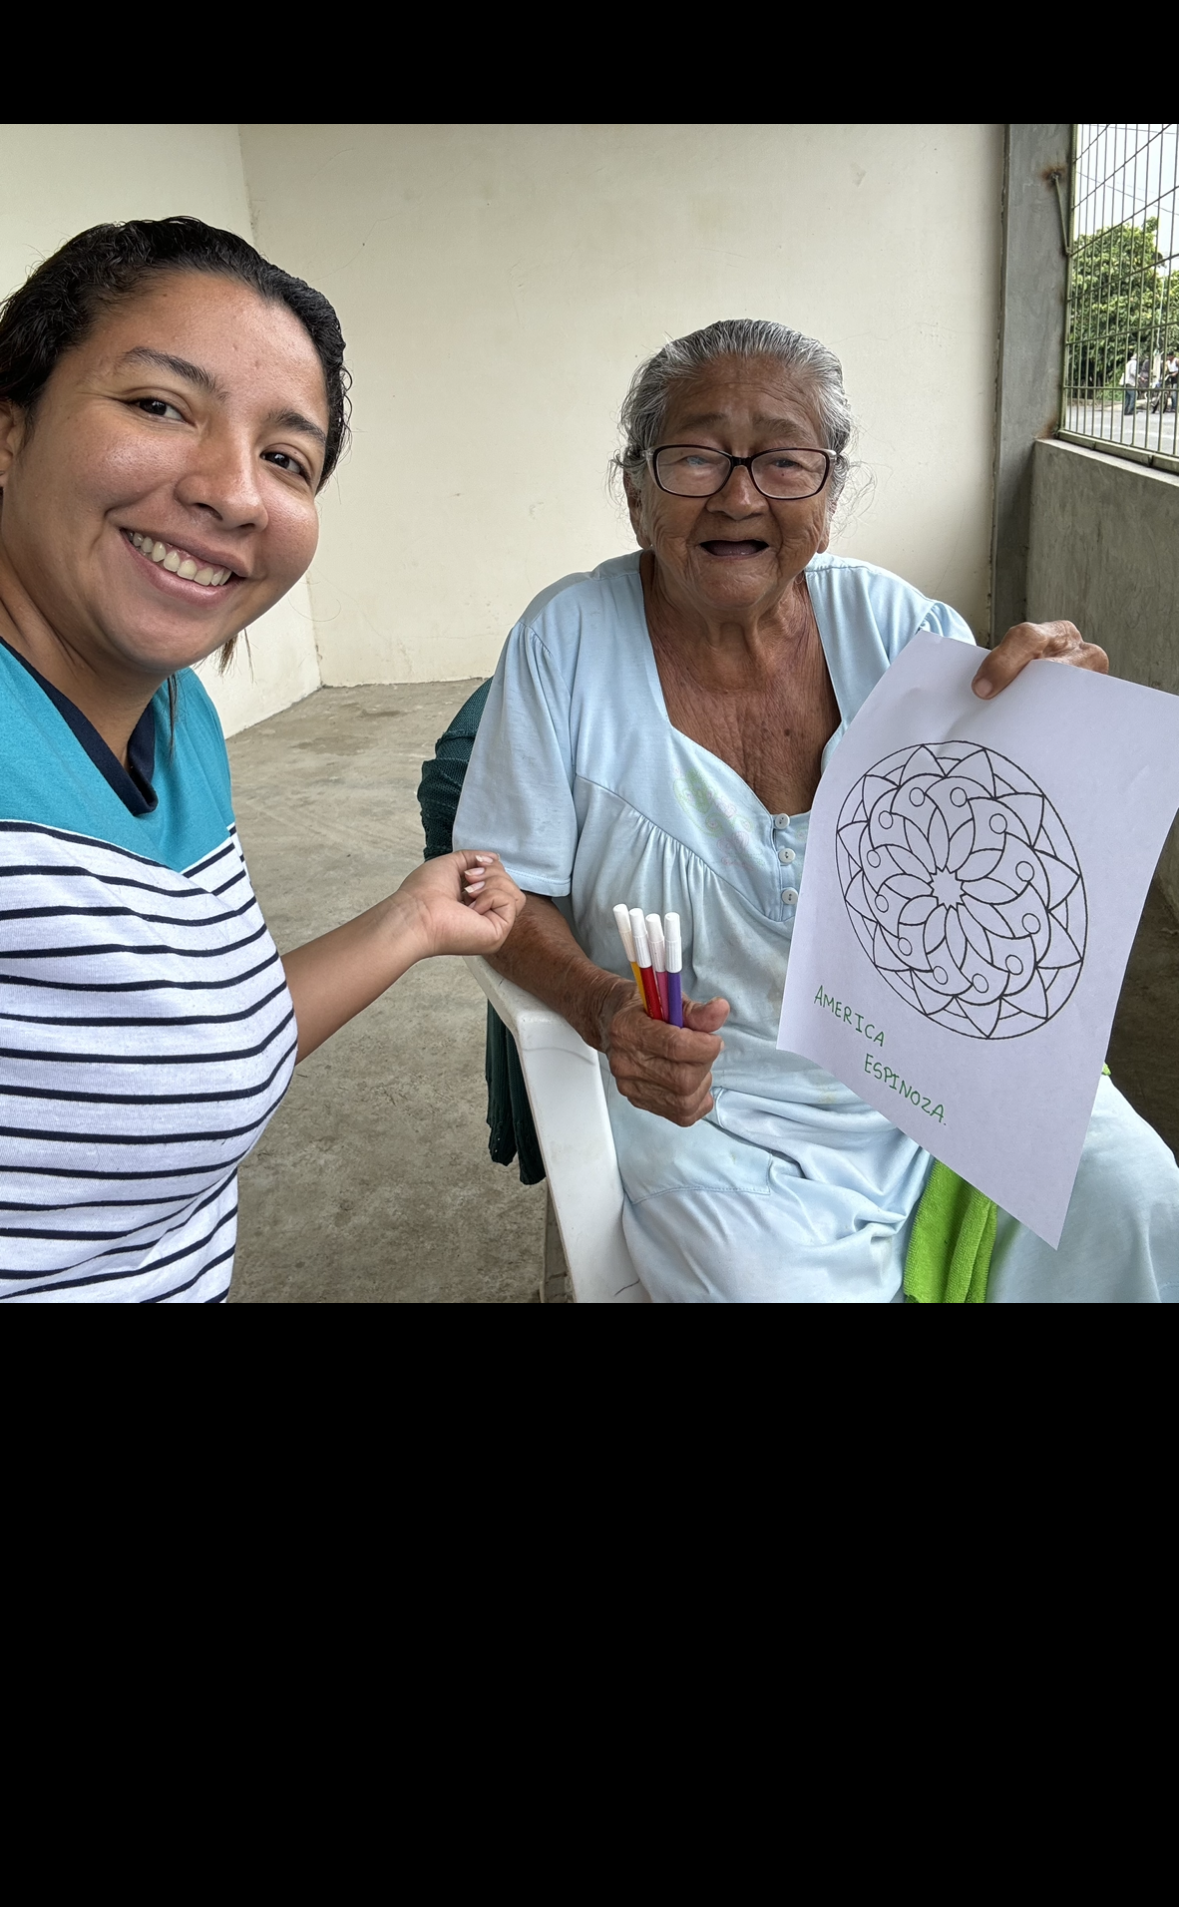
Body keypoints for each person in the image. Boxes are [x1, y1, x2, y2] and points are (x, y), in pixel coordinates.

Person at [454, 317, 1179, 1303]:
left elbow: (1007, 863)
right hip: (721, 1105)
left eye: (784, 461)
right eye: (696, 456)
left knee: (1139, 1194)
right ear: (635, 493)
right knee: (761, 1281)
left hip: (946, 1066)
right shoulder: (565, 644)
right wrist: (601, 1005)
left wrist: (1066, 725)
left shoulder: (901, 629)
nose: (739, 495)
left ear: (828, 498)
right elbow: (500, 891)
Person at [0, 218, 523, 1303]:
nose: (235, 493)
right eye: (159, 405)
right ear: (10, 430)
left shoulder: (177, 719)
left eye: (286, 459)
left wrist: (410, 921)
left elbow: (187, 1045)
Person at [1123, 353, 1139, 417]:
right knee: (1134, 395)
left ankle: (1125, 410)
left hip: (1126, 381)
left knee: (1128, 396)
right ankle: (1131, 410)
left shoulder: (1129, 362)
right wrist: (1138, 377)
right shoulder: (1134, 362)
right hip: (1130, 381)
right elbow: (1133, 372)